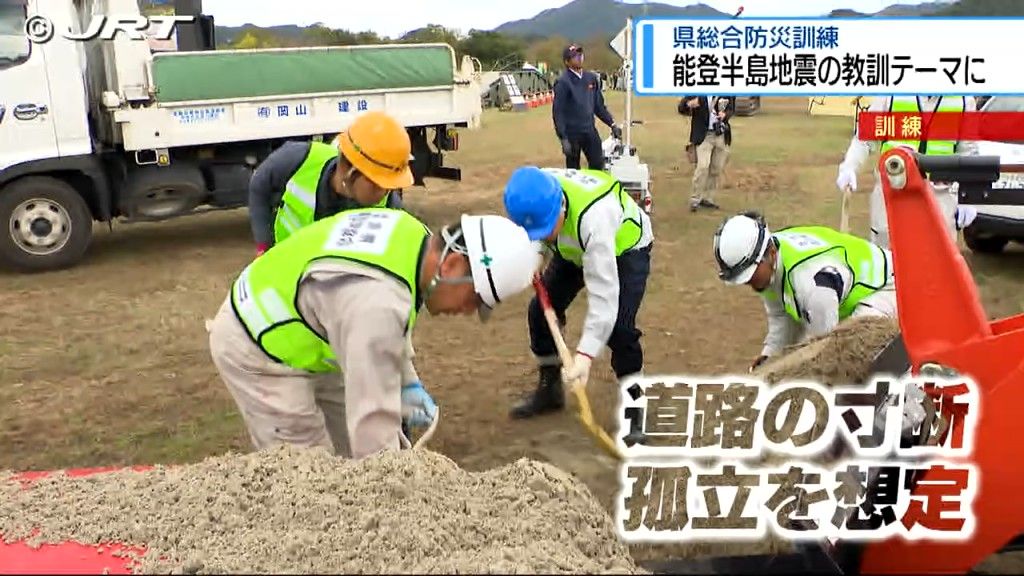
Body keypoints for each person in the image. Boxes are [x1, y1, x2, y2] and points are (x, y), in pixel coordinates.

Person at [208, 206, 542, 459]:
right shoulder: (376, 305)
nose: (467, 311)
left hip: (308, 323)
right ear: (452, 265)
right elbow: (373, 423)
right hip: (256, 345)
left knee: (349, 452)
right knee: (307, 470)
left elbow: (389, 323)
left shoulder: (412, 234)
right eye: (474, 299)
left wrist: (406, 379)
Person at [502, 166, 654, 419]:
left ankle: (635, 408)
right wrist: (538, 254)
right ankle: (550, 391)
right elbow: (534, 231)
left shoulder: (595, 218)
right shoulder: (536, 189)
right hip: (573, 247)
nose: (547, 234)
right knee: (539, 312)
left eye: (548, 227)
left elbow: (604, 299)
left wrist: (584, 355)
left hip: (624, 248)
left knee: (619, 328)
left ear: (561, 206)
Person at [713, 212, 897, 372]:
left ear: (769, 253)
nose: (749, 283)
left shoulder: (812, 285)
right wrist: (769, 358)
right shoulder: (769, 263)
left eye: (750, 275)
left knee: (852, 352)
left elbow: (823, 348)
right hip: (850, 292)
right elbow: (781, 317)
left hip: (890, 286)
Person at [247, 110, 411, 256]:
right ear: (351, 172)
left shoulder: (390, 205)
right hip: (287, 266)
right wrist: (264, 245)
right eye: (377, 183)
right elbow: (259, 185)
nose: (384, 193)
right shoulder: (299, 159)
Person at [835, 95, 977, 249]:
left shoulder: (963, 100)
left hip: (939, 197)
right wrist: (849, 167)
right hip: (891, 194)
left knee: (935, 262)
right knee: (887, 261)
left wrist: (969, 196)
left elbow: (969, 154)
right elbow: (864, 138)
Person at [552, 44, 622, 171]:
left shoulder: (591, 78)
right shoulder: (563, 82)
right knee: (573, 170)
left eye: (580, 55)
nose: (579, 58)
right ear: (567, 62)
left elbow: (598, 106)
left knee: (598, 163)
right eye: (574, 56)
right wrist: (563, 138)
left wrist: (612, 124)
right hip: (572, 133)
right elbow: (558, 112)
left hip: (589, 130)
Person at [678, 95, 735, 212]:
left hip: (721, 134)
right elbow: (681, 108)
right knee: (703, 166)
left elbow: (731, 108)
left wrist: (725, 115)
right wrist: (688, 105)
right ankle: (695, 199)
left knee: (716, 168)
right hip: (704, 136)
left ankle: (708, 198)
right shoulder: (697, 91)